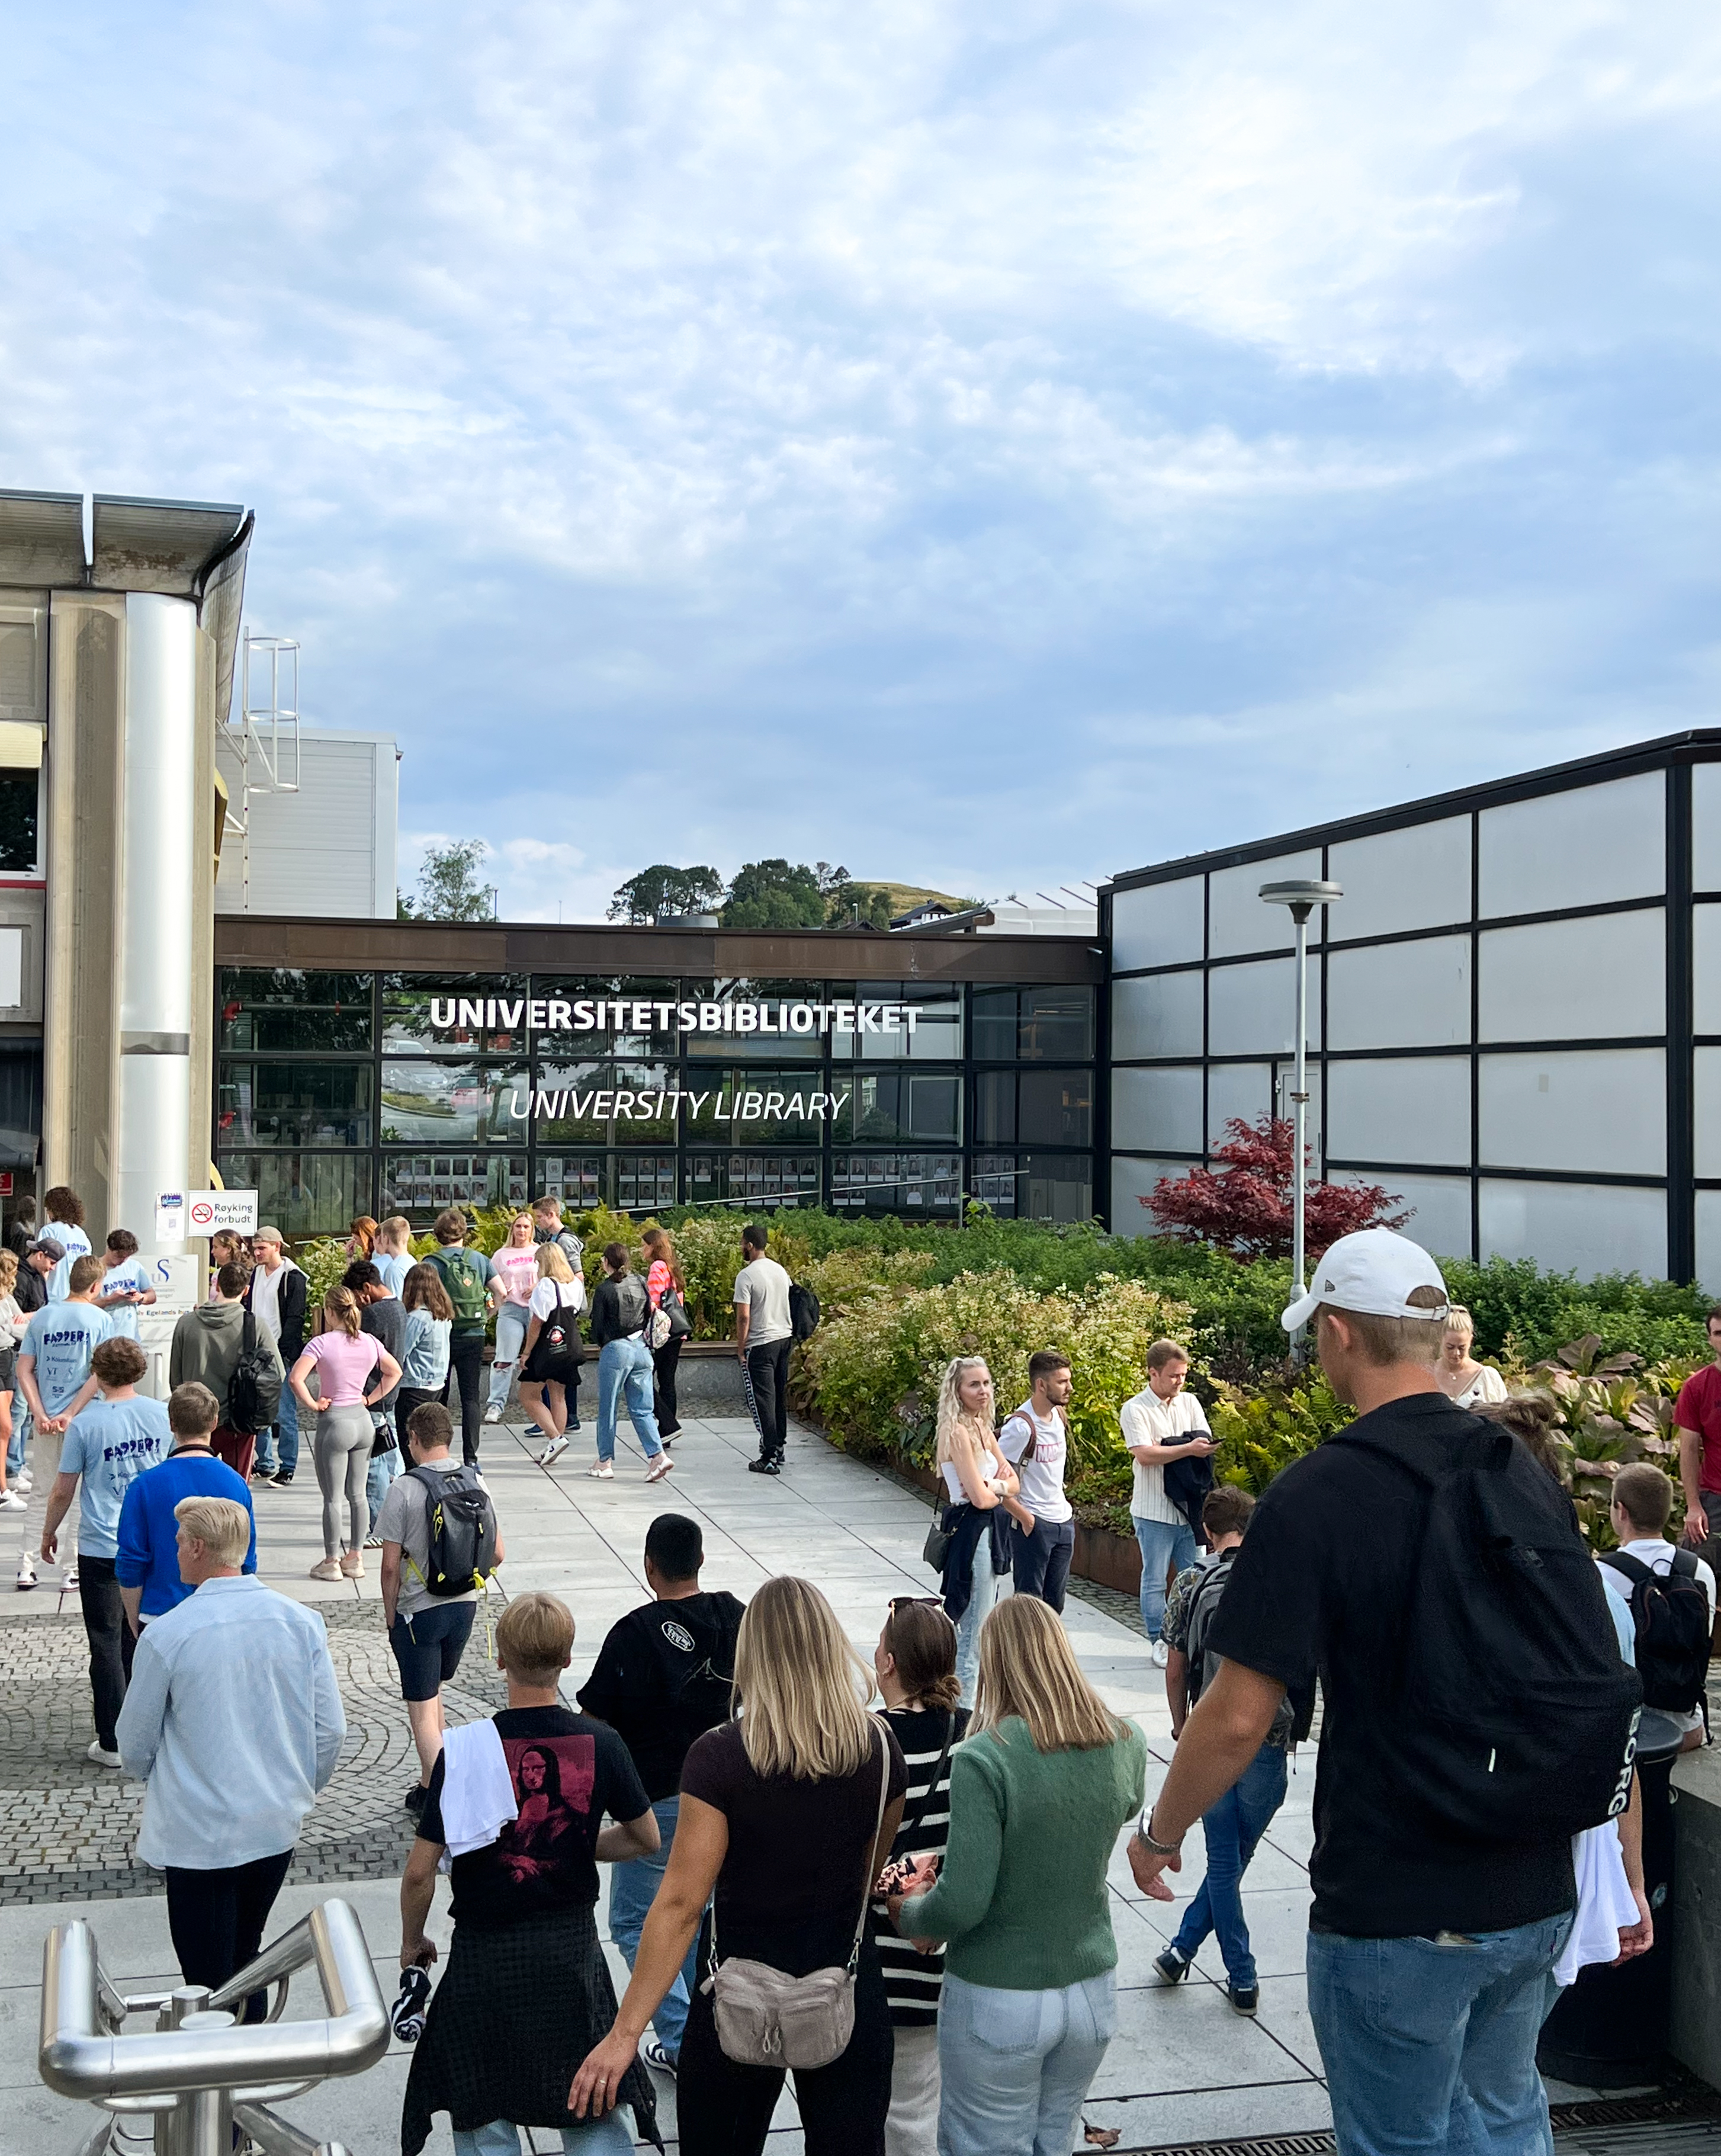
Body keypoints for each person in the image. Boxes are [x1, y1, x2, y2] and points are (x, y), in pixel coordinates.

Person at [1125, 1227, 1635, 2156]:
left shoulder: (1319, 1494)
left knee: (1404, 2139)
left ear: (1336, 1333)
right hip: (1533, 1889)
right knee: (1502, 2115)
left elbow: (1238, 1714)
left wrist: (1159, 1834)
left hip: (1401, 1900)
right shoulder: (1516, 1469)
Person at [572, 1575, 908, 2156]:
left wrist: (625, 2033)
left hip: (734, 1988)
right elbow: (865, 1873)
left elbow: (679, 1905)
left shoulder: (721, 1755)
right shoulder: (879, 1748)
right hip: (845, 1986)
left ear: (751, 1654)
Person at [400, 1591, 661, 2156]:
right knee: (591, 2099)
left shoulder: (463, 1751)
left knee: (482, 2106)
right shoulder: (602, 1743)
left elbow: (420, 1873)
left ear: (498, 1658)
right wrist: (578, 1849)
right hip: (569, 1954)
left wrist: (411, 1941)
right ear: (568, 1659)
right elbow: (646, 1837)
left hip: (483, 1957)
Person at [887, 1596, 1147, 2156]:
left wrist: (908, 1910)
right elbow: (1124, 1810)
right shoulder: (1127, 1740)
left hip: (999, 1994)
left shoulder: (986, 1757)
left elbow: (963, 1904)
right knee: (1054, 2140)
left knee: (981, 2143)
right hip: (1092, 1989)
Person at [117, 1495, 345, 2021]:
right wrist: (295, 1790)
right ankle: (249, 2063)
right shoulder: (300, 1622)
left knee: (207, 1976)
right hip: (273, 1827)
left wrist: (168, 1776)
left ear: (198, 1547)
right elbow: (330, 1730)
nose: (174, 1551)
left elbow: (133, 1744)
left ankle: (221, 2086)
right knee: (248, 1955)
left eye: (178, 1542)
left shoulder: (169, 1634)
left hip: (199, 1837)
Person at [577, 1513, 746, 2072]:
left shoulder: (633, 1632)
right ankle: (707, 2023)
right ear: (701, 1561)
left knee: (633, 1919)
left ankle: (681, 2039)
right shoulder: (737, 1617)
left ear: (649, 1567)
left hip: (661, 1801)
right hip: (728, 1792)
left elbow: (593, 1724)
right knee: (699, 1910)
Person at [1151, 1486, 1305, 2011]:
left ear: (1209, 1534)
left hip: (1212, 1737)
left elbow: (1176, 1668)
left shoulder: (1193, 1582)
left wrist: (1182, 1729)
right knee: (1233, 1862)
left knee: (1224, 1863)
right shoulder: (1281, 1579)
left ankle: (1199, 1957)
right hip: (1270, 1742)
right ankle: (1232, 1971)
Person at [40, 1337, 173, 1766]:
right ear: (139, 1371)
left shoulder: (85, 1423)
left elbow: (64, 1488)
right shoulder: (159, 1415)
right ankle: (152, 1726)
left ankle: (113, 1739)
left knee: (105, 1641)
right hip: (150, 1540)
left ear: (97, 1374)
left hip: (101, 1543)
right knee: (146, 1635)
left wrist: (49, 1532)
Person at [868, 1596, 968, 2156]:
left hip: (879, 1962)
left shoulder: (868, 1742)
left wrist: (897, 1875)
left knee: (892, 2117)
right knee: (917, 2102)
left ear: (887, 1662)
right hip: (944, 1956)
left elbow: (855, 1861)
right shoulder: (973, 1733)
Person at [378, 1401, 502, 1815]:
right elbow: (499, 1552)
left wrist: (391, 1613)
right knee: (435, 1694)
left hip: (420, 1612)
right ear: (448, 1438)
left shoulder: (404, 1489)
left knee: (420, 1707)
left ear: (414, 1440)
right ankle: (429, 1780)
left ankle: (442, 1799)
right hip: (464, 1606)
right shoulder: (475, 1481)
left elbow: (390, 1566)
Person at [117, 1384, 257, 1631]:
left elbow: (131, 1562)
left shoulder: (144, 1486)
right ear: (214, 1423)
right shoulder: (236, 1483)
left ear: (172, 1424)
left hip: (160, 1613)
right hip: (221, 1615)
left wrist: (133, 1618)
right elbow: (247, 1559)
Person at [288, 1284, 402, 1583]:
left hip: (335, 1420)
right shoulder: (368, 1342)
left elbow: (296, 1378)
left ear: (329, 1312)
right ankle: (356, 1557)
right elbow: (395, 1372)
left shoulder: (321, 1344)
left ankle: (331, 1560)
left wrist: (314, 1404)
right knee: (359, 1495)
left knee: (332, 1498)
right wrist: (371, 1398)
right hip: (363, 1419)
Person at [15, 1253, 113, 1589]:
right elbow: (100, 1373)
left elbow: (24, 1369)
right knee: (81, 1492)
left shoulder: (43, 1316)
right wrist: (71, 1412)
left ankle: (27, 1565)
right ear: (96, 1286)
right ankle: (71, 1568)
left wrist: (39, 1411)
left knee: (43, 1491)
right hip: (84, 1417)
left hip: (45, 1418)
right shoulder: (100, 1320)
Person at [1120, 1339, 1214, 1666]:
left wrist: (1171, 1447)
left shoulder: (1189, 1402)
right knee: (1155, 1579)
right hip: (1153, 1511)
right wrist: (1185, 1448)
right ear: (1153, 1373)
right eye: (1174, 1376)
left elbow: (1205, 1441)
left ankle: (1188, 1639)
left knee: (1195, 1576)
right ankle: (1158, 1639)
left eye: (1184, 1375)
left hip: (1189, 1510)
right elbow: (1145, 1455)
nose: (1180, 1381)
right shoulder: (1135, 1409)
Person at [932, 1356, 1017, 1709]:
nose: (983, 1391)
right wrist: (997, 1487)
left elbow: (1014, 1484)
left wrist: (994, 1484)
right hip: (970, 1531)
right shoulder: (957, 1433)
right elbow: (980, 1499)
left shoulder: (982, 1428)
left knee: (981, 1625)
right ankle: (961, 1715)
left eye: (986, 1383)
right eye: (974, 1384)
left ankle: (964, 1709)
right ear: (957, 1390)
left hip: (989, 1530)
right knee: (973, 1630)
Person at [168, 1259, 284, 1482]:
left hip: (195, 1415)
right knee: (236, 1487)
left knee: (194, 1484)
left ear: (217, 1286)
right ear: (246, 1290)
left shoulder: (186, 1323)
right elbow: (278, 1372)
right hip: (238, 1419)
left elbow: (176, 1378)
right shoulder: (254, 1325)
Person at [587, 1244, 672, 1484]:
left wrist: (603, 1344)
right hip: (643, 1349)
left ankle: (605, 1462)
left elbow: (597, 1328)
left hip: (616, 1349)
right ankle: (658, 1456)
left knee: (609, 1407)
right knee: (643, 1408)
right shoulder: (640, 1281)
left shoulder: (604, 1289)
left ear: (606, 1262)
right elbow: (649, 1312)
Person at [997, 1350, 1075, 1610]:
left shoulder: (1059, 1416)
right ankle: (1027, 1653)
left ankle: (1049, 1652)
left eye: (1069, 1380)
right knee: (1030, 1608)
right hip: (1035, 1525)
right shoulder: (1020, 1427)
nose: (1069, 1388)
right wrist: (1026, 1519)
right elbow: (995, 1481)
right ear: (1041, 1385)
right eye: (1062, 1382)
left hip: (1063, 1521)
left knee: (1055, 1607)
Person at [425, 1209, 496, 1467]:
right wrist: (486, 1316)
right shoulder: (479, 1259)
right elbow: (500, 1292)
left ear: (438, 1234)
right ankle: (471, 1457)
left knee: (438, 1395)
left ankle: (437, 1452)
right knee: (470, 1397)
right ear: (464, 1232)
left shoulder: (431, 1262)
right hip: (473, 1334)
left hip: (443, 1335)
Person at [246, 1225, 308, 1487]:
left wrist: (283, 1349)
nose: (257, 1253)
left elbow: (296, 1317)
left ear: (277, 1247)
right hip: (255, 1348)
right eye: (255, 1248)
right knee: (257, 1408)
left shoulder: (293, 1276)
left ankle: (288, 1465)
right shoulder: (256, 1273)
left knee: (284, 1410)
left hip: (279, 1349)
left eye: (262, 1248)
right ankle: (263, 1461)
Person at [734, 1223, 793, 1475]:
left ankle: (768, 1456)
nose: (740, 1248)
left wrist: (740, 1347)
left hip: (761, 1343)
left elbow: (743, 1317)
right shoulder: (780, 1271)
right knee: (778, 1397)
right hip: (784, 1339)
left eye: (741, 1243)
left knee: (763, 1401)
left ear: (749, 1245)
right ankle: (779, 1447)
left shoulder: (746, 1275)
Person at [522, 1241, 586, 1468]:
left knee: (528, 1395)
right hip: (567, 1345)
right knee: (558, 1396)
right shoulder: (575, 1285)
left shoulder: (545, 1286)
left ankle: (555, 1438)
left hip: (546, 1347)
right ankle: (554, 1444)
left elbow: (537, 1322)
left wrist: (527, 1352)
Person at [1675, 1304, 1721, 1580]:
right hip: (1714, 1498)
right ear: (1710, 1338)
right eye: (1718, 1333)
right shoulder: (1696, 1387)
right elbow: (1689, 1450)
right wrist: (1693, 1506)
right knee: (1695, 1577)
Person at [486, 1212, 541, 1425]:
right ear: (513, 1229)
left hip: (536, 1310)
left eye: (526, 1226)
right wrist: (499, 1292)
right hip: (510, 1309)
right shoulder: (501, 1254)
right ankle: (496, 1405)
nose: (522, 1231)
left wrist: (536, 1286)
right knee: (504, 1359)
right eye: (518, 1226)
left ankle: (537, 1406)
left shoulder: (538, 1251)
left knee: (537, 1358)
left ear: (532, 1229)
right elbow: (489, 1281)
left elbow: (551, 1275)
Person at [397, 1261, 455, 1436]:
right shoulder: (443, 1317)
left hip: (415, 1384)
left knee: (409, 1437)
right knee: (428, 1436)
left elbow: (401, 1352)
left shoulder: (417, 1318)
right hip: (437, 1383)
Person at [642, 1227, 685, 1443]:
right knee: (667, 1381)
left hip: (662, 1333)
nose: (642, 1249)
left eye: (645, 1245)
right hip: (676, 1333)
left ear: (653, 1246)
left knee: (642, 1378)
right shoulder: (672, 1266)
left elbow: (654, 1302)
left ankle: (667, 1425)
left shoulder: (657, 1267)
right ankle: (667, 1429)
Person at [1437, 1305, 1507, 1408]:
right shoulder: (1427, 1374)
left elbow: (1504, 1417)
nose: (1456, 1353)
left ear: (1470, 1340)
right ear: (1439, 1339)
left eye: (1462, 1348)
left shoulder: (1487, 1377)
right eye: (1450, 1347)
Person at [93, 1230, 156, 1339]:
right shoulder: (94, 1269)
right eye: (119, 1256)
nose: (123, 1261)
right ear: (109, 1248)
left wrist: (141, 1297)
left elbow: (152, 1295)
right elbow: (83, 1305)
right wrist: (110, 1300)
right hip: (105, 1339)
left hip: (131, 1339)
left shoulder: (135, 1267)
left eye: (127, 1257)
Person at [0, 1247, 25, 1510]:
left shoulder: (7, 1298)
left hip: (7, 1356)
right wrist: (12, 1326)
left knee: (5, 1428)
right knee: (5, 1426)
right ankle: (3, 1489)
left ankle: (3, 1488)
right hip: (1, 1354)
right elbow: (12, 1328)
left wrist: (11, 1327)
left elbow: (23, 1326)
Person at [42, 1185, 92, 1302]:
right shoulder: (82, 1235)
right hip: (77, 1298)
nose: (48, 1214)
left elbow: (43, 1264)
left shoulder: (50, 1230)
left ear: (54, 1209)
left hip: (53, 1296)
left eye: (48, 1209)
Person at [15, 1233, 57, 1317]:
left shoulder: (40, 1277)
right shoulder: (19, 1277)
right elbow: (15, 1316)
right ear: (40, 1255)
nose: (53, 1268)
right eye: (52, 1263)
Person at [375, 1214, 416, 1297]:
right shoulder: (413, 1262)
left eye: (382, 1237)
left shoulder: (394, 1269)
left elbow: (395, 1304)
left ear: (386, 1239)